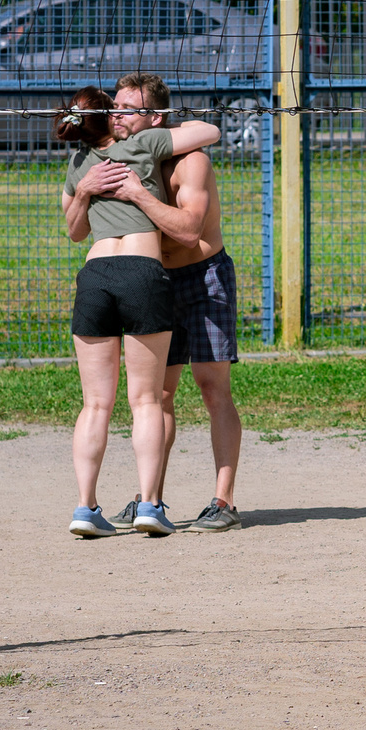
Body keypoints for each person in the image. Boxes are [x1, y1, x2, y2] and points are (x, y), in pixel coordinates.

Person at [57, 85, 220, 538]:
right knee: (146, 400)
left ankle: (86, 508)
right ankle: (150, 505)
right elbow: (211, 130)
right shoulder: (143, 144)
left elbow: (74, 232)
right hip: (142, 274)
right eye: (116, 108)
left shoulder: (78, 164)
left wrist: (85, 192)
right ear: (106, 116)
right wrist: (164, 120)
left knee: (95, 404)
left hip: (94, 276)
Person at [90, 72, 244, 534]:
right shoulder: (119, 156)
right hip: (155, 279)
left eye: (125, 107)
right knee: (157, 395)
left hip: (204, 275)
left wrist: (137, 193)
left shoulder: (189, 163)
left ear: (154, 118)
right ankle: (148, 498)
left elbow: (188, 231)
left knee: (212, 387)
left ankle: (224, 501)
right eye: (113, 105)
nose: (114, 113)